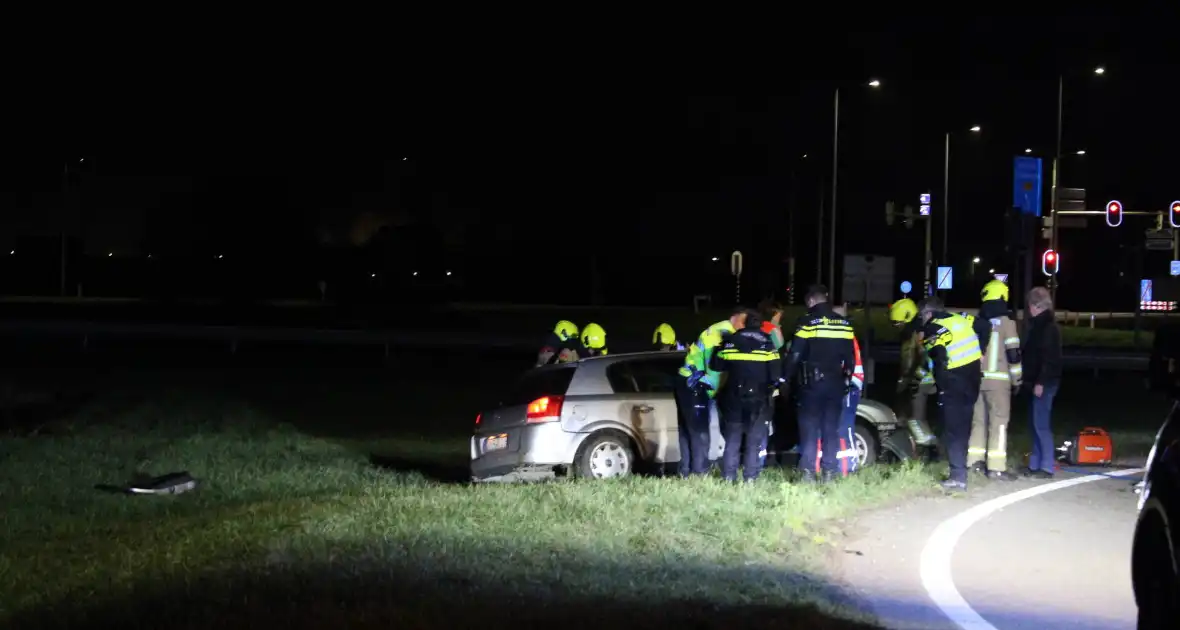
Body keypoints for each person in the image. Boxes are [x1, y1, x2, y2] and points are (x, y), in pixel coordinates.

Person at [782, 285, 856, 484]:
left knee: (809, 429)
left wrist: (785, 378)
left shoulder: (807, 322)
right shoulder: (843, 324)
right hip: (835, 384)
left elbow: (795, 354)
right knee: (830, 429)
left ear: (811, 302)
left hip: (810, 385)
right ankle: (829, 473)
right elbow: (850, 359)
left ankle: (807, 474)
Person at [917, 296, 984, 491]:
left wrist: (941, 384)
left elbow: (938, 356)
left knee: (953, 431)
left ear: (929, 313)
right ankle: (961, 472)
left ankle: (958, 477)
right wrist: (984, 348)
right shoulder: (960, 319)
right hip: (972, 381)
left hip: (953, 384)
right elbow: (985, 327)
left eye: (922, 315)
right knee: (962, 430)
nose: (922, 320)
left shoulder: (933, 326)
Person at [709, 309, 782, 482]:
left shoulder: (730, 341)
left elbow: (715, 366)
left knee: (732, 439)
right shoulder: (767, 343)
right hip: (758, 398)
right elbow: (776, 375)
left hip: (733, 397)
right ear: (760, 325)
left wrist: (721, 346)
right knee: (753, 441)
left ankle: (729, 477)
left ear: (744, 323)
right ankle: (750, 478)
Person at [675, 307, 748, 477]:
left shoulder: (721, 330)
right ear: (734, 317)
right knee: (699, 432)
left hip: (688, 381)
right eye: (743, 321)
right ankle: (700, 474)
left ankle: (687, 472)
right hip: (696, 383)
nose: (744, 326)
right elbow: (714, 368)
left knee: (688, 431)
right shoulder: (722, 333)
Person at [964, 280, 1023, 480]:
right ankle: (996, 468)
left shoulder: (976, 322)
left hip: (978, 381)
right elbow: (1014, 355)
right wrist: (1017, 380)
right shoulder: (1008, 324)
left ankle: (974, 464)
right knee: (998, 423)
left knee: (978, 423)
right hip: (999, 384)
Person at [1021, 286, 1062, 479]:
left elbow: (1049, 358)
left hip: (1043, 382)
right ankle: (1036, 464)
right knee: (1035, 424)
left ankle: (1046, 466)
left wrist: (1040, 381)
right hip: (1039, 381)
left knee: (1041, 425)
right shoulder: (1042, 326)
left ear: (1035, 305)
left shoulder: (1045, 328)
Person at [889, 299, 938, 447]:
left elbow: (923, 359)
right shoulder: (909, 334)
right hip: (913, 380)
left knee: (915, 419)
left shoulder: (919, 334)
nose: (896, 326)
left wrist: (915, 379)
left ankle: (931, 448)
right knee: (907, 416)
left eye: (898, 323)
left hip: (921, 380)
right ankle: (916, 447)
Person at [756, 300, 786, 467]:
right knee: (768, 420)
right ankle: (767, 458)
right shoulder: (772, 329)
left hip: (753, 379)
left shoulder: (756, 327)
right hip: (769, 382)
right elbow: (780, 347)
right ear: (775, 314)